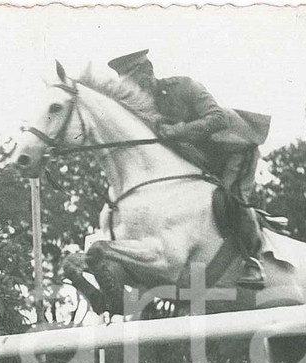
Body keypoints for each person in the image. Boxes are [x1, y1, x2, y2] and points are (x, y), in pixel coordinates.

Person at [108, 49, 270, 288]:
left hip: (234, 147)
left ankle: (252, 261)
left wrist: (178, 131)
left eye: (132, 82)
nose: (131, 90)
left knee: (229, 198)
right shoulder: (141, 105)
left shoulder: (184, 86)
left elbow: (218, 119)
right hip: (202, 157)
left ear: (147, 72)